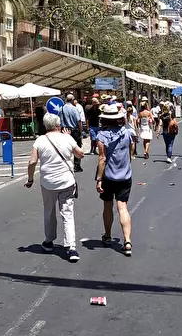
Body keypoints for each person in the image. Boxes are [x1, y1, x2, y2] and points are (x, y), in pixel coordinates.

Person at [24, 113, 84, 262]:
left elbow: (32, 163)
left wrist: (30, 179)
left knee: (49, 211)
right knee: (67, 214)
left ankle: (49, 241)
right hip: (67, 181)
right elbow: (80, 154)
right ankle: (71, 247)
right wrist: (70, 139)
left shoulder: (40, 140)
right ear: (59, 125)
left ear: (45, 125)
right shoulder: (67, 138)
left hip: (48, 183)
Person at [95, 103, 134, 257]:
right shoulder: (127, 132)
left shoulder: (102, 136)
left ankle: (108, 235)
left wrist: (99, 179)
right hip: (125, 175)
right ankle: (127, 241)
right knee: (123, 207)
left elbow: (102, 158)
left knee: (107, 205)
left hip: (108, 176)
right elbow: (131, 151)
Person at [58, 93, 84, 172]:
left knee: (65, 148)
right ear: (72, 100)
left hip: (64, 130)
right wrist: (81, 131)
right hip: (74, 130)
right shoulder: (74, 108)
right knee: (77, 147)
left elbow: (59, 121)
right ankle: (77, 165)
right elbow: (78, 120)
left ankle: (66, 164)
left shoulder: (61, 109)